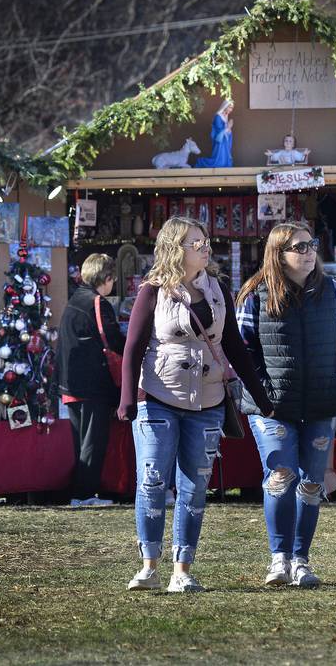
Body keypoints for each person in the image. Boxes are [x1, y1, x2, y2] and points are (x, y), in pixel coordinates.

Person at [118, 216, 273, 593]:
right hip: (158, 398)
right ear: (175, 249)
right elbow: (134, 347)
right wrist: (127, 398)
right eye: (195, 243)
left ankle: (182, 569)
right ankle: (149, 565)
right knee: (153, 480)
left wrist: (260, 395)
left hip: (208, 400)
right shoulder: (152, 292)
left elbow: (234, 345)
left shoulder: (219, 289)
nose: (205, 248)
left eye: (205, 241)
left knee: (194, 487)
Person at [236, 222, 336, 587]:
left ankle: (301, 560)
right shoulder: (256, 294)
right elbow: (242, 352)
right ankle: (279, 559)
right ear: (279, 254)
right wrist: (261, 395)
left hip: (322, 403)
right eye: (299, 247)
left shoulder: (331, 291)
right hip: (272, 406)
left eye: (311, 245)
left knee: (311, 482)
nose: (308, 253)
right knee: (280, 476)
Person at [57, 253, 125, 507]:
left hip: (71, 381)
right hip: (92, 382)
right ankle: (84, 494)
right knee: (93, 440)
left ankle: (81, 491)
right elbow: (114, 340)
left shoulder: (75, 298)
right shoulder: (97, 302)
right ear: (106, 278)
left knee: (81, 439)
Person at [195, 100, 234, 168]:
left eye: (232, 108)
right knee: (218, 160)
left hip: (224, 140)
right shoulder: (218, 116)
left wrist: (229, 129)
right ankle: (201, 161)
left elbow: (226, 129)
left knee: (225, 159)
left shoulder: (226, 116)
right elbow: (219, 129)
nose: (231, 109)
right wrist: (228, 127)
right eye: (230, 107)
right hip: (219, 140)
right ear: (225, 106)